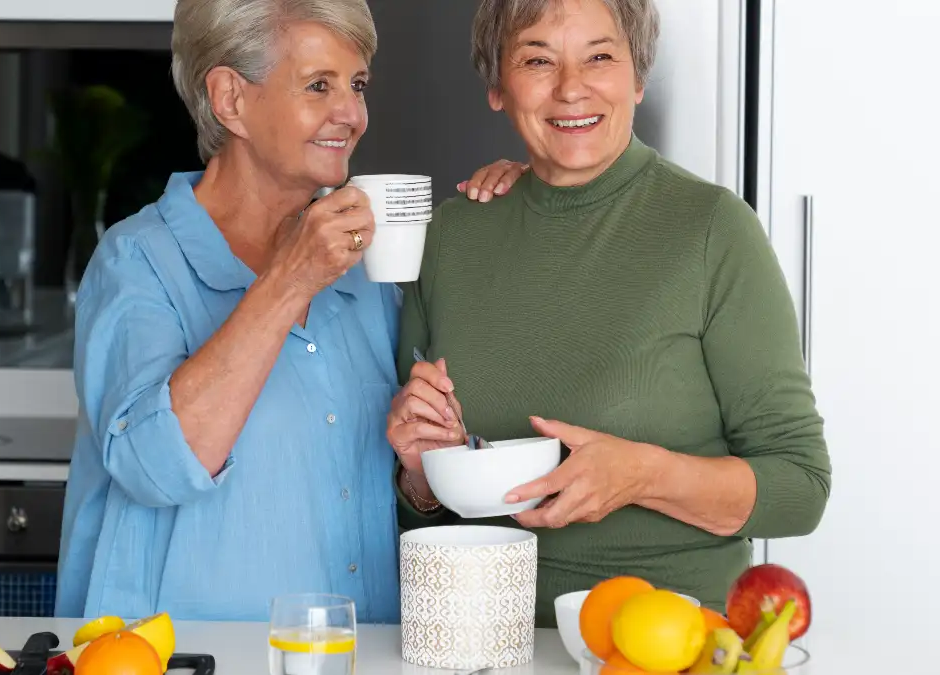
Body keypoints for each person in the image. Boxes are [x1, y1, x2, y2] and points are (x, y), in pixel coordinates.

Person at [55, 0, 525, 622]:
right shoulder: (136, 263)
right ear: (229, 99)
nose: (352, 115)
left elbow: (392, 482)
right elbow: (157, 466)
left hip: (352, 655)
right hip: (182, 659)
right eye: (318, 86)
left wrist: (419, 467)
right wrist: (289, 279)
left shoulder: (363, 269)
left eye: (357, 85)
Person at [388, 0, 832, 627]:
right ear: (497, 86)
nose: (572, 88)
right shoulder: (451, 235)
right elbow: (417, 513)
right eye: (538, 60)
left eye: (600, 56)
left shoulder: (711, 229)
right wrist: (420, 475)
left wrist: (644, 475)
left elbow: (801, 488)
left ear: (637, 77)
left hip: (662, 643)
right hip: (476, 641)